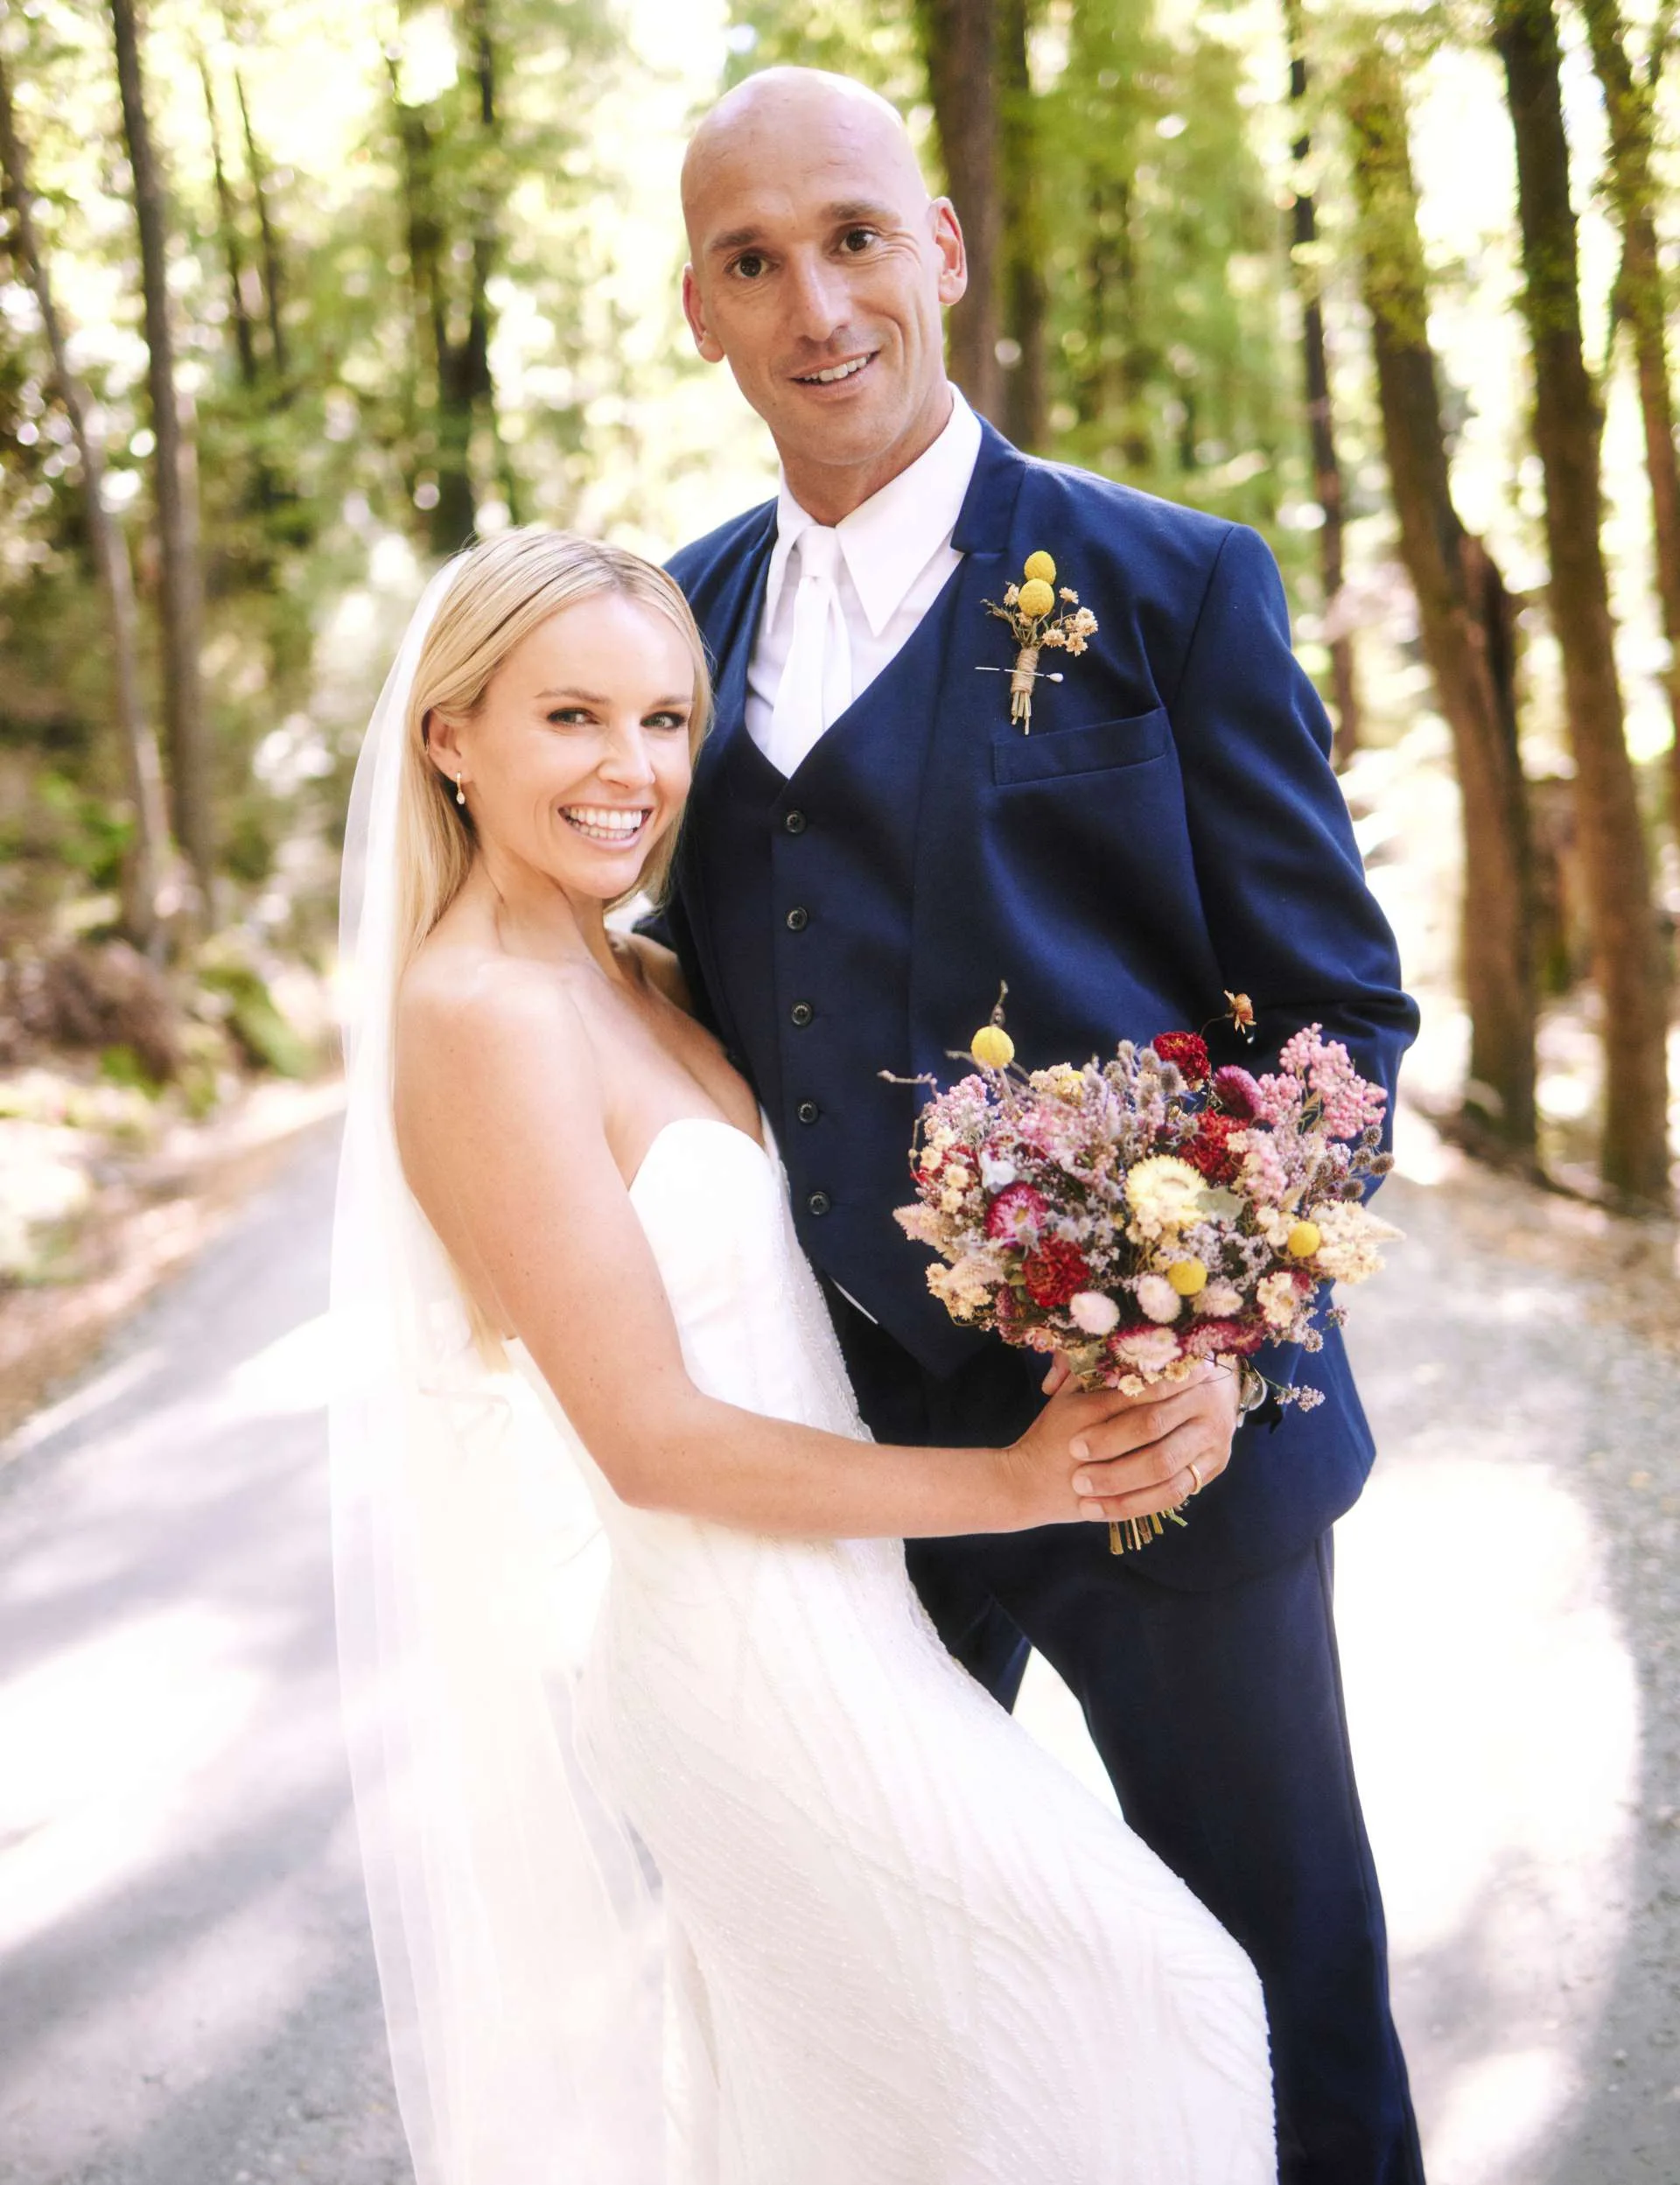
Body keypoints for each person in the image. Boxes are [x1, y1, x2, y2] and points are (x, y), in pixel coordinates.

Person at [659, 67, 1424, 2185]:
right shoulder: (676, 628)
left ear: (944, 251)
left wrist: (1202, 1332)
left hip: (1178, 1457)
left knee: (1285, 2000)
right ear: (697, 309)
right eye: (755, 261)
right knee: (898, 1999)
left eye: (855, 236)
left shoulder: (1171, 587)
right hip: (856, 1461)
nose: (817, 301)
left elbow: (1338, 1013)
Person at [330, 524, 1274, 2184]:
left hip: (848, 1626)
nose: (633, 770)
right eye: (571, 719)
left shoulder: (641, 976)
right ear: (447, 738)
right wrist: (1016, 1482)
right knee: (1152, 1994)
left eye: (667, 720)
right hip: (740, 1661)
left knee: (910, 2121)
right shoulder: (477, 1015)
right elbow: (653, 1439)